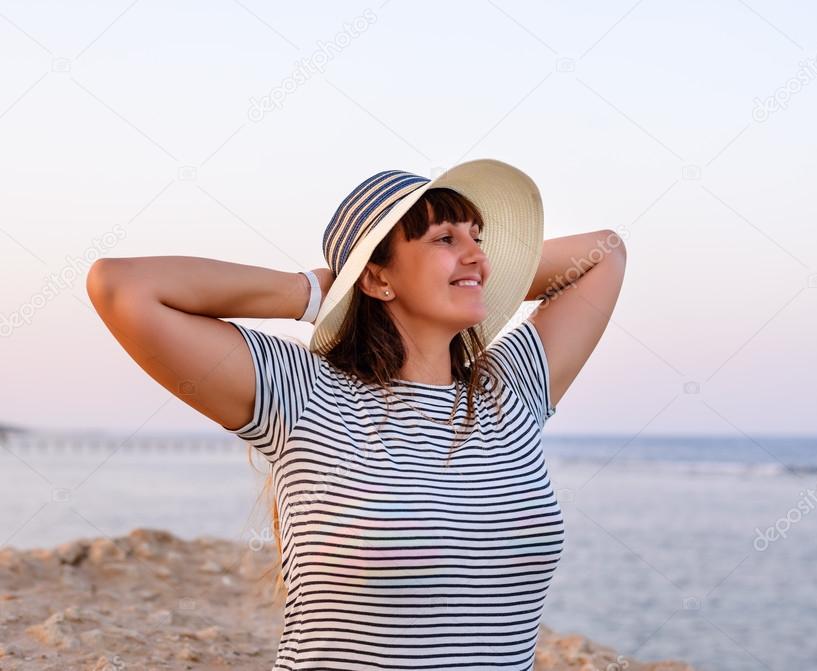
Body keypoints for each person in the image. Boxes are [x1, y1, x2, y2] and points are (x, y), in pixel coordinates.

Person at [86, 158, 627, 670]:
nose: (476, 255)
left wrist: (468, 273)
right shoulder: (302, 392)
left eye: (477, 240)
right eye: (444, 238)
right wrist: (319, 290)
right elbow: (122, 287)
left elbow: (605, 252)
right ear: (376, 279)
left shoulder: (510, 390)